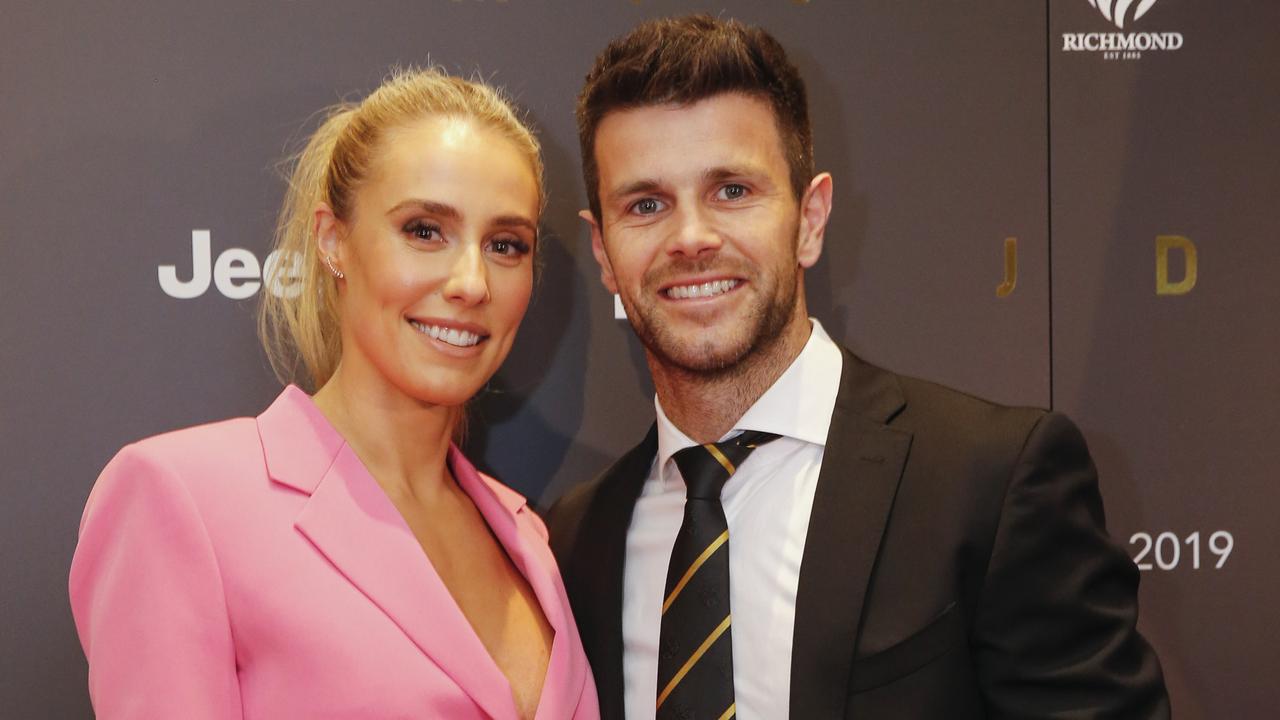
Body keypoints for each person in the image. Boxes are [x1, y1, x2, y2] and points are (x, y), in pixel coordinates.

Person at [547, 15, 1169, 720]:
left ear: (810, 219)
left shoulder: (989, 482)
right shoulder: (575, 539)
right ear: (603, 251)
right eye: (647, 204)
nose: (691, 237)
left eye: (732, 191)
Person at [69, 67, 599, 720]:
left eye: (505, 245)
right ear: (333, 241)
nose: (471, 282)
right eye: (425, 230)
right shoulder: (181, 498)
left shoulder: (526, 535)